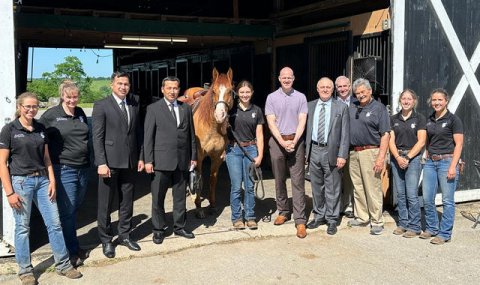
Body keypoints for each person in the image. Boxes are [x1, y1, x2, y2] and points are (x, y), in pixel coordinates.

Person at [0, 92, 82, 285]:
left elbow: (46, 158)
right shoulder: (10, 130)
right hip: (21, 183)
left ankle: (63, 265)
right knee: (22, 228)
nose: (31, 110)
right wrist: (10, 192)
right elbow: (2, 164)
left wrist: (52, 180)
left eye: (34, 106)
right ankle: (25, 271)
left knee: (54, 224)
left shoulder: (40, 128)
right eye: (27, 106)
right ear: (19, 107)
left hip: (43, 181)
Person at [92, 71, 144, 258]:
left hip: (130, 161)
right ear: (112, 85)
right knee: (105, 204)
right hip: (110, 163)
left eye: (126, 84)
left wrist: (140, 156)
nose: (123, 87)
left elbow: (137, 132)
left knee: (127, 202)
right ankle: (106, 240)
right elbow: (97, 137)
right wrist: (101, 162)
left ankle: (125, 234)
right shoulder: (101, 105)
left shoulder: (133, 104)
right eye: (120, 83)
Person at [39, 80, 90, 266]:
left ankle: (72, 245)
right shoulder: (51, 116)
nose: (72, 100)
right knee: (67, 212)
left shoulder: (81, 112)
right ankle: (70, 251)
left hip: (84, 168)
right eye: (69, 97)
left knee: (75, 208)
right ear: (62, 96)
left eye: (75, 97)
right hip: (64, 168)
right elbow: (37, 135)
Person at [144, 76, 197, 243]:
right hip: (160, 161)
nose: (173, 91)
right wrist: (148, 160)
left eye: (175, 88)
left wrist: (193, 156)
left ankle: (179, 227)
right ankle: (158, 229)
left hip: (182, 160)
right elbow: (148, 137)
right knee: (158, 198)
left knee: (180, 197)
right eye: (169, 88)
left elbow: (191, 135)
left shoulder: (185, 108)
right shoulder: (153, 109)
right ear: (162, 89)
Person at [265, 67, 308, 238]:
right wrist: (283, 142)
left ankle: (300, 220)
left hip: (296, 141)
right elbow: (271, 122)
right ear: (279, 78)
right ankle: (283, 211)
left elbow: (302, 121)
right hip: (277, 141)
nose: (287, 80)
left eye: (289, 77)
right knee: (279, 179)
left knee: (298, 182)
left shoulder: (301, 97)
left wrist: (294, 141)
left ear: (294, 78)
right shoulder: (271, 98)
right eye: (284, 77)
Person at [305, 77, 349, 235]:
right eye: (322, 87)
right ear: (317, 89)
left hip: (332, 152)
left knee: (332, 187)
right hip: (314, 150)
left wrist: (342, 155)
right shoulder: (309, 106)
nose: (325, 89)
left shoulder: (341, 107)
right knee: (316, 187)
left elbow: (345, 133)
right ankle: (319, 216)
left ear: (333, 89)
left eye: (328, 87)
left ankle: (332, 219)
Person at [347, 78, 390, 235]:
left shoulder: (379, 108)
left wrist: (381, 157)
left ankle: (377, 220)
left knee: (373, 187)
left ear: (370, 91)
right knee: (357, 186)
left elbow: (385, 135)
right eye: (357, 93)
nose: (360, 95)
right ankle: (361, 217)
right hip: (354, 152)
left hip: (371, 151)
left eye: (363, 92)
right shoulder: (353, 107)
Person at [421, 88, 463, 245]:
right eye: (434, 100)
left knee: (447, 200)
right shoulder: (430, 119)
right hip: (431, 162)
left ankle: (445, 233)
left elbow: (459, 144)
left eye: (440, 100)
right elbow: (428, 140)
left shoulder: (453, 120)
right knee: (427, 198)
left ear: (446, 101)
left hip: (447, 161)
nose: (436, 102)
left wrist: (453, 166)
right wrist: (426, 154)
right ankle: (432, 228)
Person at [226, 80, 264, 230]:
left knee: (249, 186)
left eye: (247, 92)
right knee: (236, 186)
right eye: (242, 92)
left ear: (252, 93)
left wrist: (260, 155)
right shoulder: (231, 110)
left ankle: (250, 217)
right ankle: (236, 218)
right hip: (233, 151)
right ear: (237, 93)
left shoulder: (257, 110)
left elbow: (259, 135)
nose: (245, 95)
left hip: (251, 150)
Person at [389, 89, 426, 238]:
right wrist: (398, 157)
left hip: (413, 158)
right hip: (397, 157)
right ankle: (403, 223)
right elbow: (390, 140)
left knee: (411, 194)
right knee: (401, 194)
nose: (406, 101)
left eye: (409, 99)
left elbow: (421, 141)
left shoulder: (419, 118)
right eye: (403, 98)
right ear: (400, 101)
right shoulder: (393, 119)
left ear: (414, 101)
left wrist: (408, 157)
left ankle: (415, 226)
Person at [335, 75, 356, 218]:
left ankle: (348, 206)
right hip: (334, 147)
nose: (342, 89)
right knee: (335, 179)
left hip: (352, 146)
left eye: (345, 86)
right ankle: (335, 206)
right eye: (339, 87)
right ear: (336, 88)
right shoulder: (331, 102)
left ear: (349, 87)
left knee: (349, 179)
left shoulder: (357, 102)